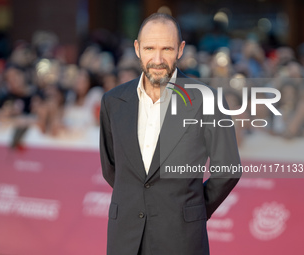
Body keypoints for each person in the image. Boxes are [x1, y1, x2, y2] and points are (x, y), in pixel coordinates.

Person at [99, 13, 241, 255]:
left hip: (182, 239)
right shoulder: (113, 101)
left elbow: (227, 169)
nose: (157, 58)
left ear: (180, 49)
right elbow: (112, 167)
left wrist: (191, 209)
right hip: (125, 237)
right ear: (137, 48)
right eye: (149, 48)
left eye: (166, 48)